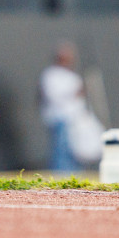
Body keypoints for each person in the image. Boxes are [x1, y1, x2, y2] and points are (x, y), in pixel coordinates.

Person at [40, 42, 86, 173]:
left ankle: (74, 175)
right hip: (59, 119)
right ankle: (59, 175)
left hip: (74, 120)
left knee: (75, 151)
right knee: (61, 151)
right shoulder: (51, 75)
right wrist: (73, 93)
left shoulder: (73, 76)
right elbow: (53, 96)